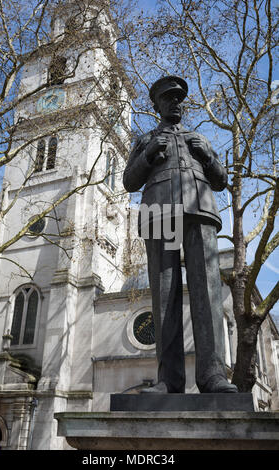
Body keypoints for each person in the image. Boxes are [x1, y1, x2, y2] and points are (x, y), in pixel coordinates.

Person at [123, 76, 238, 394]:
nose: (176, 103)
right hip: (159, 212)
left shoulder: (198, 138)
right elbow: (129, 182)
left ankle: (213, 375)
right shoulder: (146, 139)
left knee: (208, 292)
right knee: (165, 295)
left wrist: (209, 157)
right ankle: (169, 380)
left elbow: (221, 180)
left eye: (179, 99)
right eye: (169, 99)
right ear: (157, 105)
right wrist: (147, 157)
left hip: (199, 209)